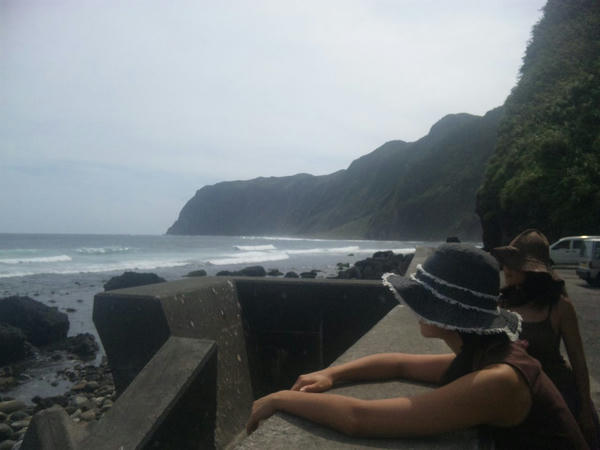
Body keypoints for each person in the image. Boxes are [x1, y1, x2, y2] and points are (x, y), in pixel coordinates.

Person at [246, 244, 588, 449]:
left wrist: (279, 399)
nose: (414, 309)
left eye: (424, 300)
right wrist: (331, 374)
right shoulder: (487, 352)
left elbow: (360, 419)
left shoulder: (499, 379)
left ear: (450, 315)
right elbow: (398, 363)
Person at [493, 228, 600, 449]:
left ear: (532, 270)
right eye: (506, 263)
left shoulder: (560, 307)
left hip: (559, 394)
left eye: (514, 263)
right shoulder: (502, 304)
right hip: (517, 396)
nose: (506, 269)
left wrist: (585, 408)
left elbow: (578, 361)